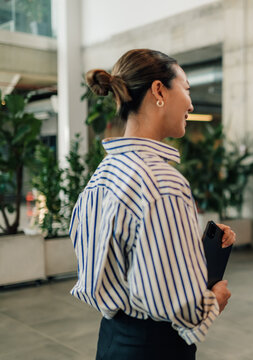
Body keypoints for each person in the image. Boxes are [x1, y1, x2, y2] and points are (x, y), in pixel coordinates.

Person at [70, 49, 234, 360]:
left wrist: (188, 244)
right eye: (186, 89)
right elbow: (181, 308)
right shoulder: (163, 183)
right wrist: (213, 301)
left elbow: (122, 261)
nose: (191, 103)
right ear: (159, 91)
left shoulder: (104, 173)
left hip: (111, 341)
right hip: (155, 347)